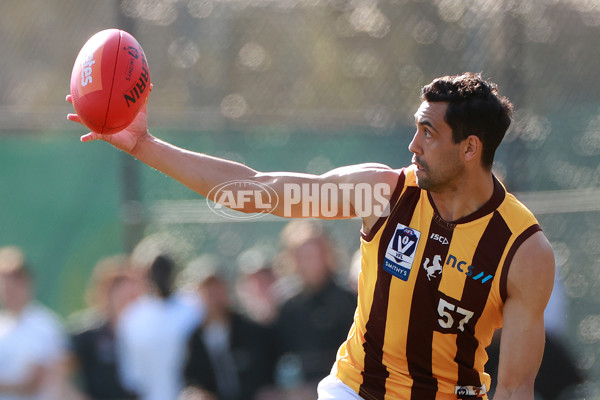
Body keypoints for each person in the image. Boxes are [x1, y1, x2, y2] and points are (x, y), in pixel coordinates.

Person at [67, 72, 555, 400]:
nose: (413, 145)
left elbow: (514, 390)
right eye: (415, 128)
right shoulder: (381, 194)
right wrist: (142, 144)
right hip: (354, 390)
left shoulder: (523, 250)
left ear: (471, 148)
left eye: (428, 133)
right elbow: (257, 192)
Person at [272, 220, 356, 394]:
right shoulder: (288, 306)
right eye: (304, 254)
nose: (310, 260)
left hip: (344, 386)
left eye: (315, 253)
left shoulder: (348, 299)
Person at [115, 254, 204, 400]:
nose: (161, 276)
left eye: (165, 270)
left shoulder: (194, 307)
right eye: (156, 271)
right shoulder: (133, 317)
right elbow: (131, 374)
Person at [183, 265, 275, 400]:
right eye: (208, 291)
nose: (214, 297)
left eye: (217, 289)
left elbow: (263, 370)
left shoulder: (250, 329)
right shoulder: (195, 338)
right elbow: (193, 378)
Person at [0, 246, 71, 400]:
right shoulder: (2, 325)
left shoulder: (46, 326)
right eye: (3, 284)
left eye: (13, 284)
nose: (7, 290)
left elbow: (32, 384)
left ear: (27, 283)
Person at [68, 255, 142, 400]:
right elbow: (62, 376)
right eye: (121, 295)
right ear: (106, 294)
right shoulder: (87, 333)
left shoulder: (143, 331)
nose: (127, 302)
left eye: (132, 296)